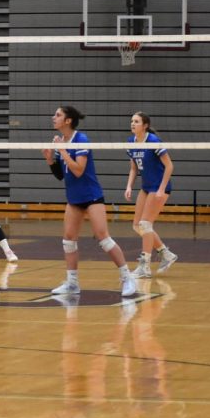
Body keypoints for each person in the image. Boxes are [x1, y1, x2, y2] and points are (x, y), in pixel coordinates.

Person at [42, 106, 138, 298]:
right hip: (74, 198)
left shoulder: (81, 140)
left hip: (91, 196)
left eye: (58, 115)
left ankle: (127, 278)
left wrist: (63, 151)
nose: (54, 117)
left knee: (103, 237)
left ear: (68, 120)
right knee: (68, 239)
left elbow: (78, 170)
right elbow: (62, 175)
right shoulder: (62, 142)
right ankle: (72, 283)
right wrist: (50, 159)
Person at [124, 113, 177, 277]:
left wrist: (161, 189)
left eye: (137, 121)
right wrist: (129, 186)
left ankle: (145, 265)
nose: (133, 124)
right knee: (137, 226)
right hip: (146, 187)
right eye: (132, 121)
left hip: (159, 186)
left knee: (146, 224)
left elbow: (169, 166)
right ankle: (166, 253)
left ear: (145, 125)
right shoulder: (130, 143)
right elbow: (134, 168)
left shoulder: (153, 141)